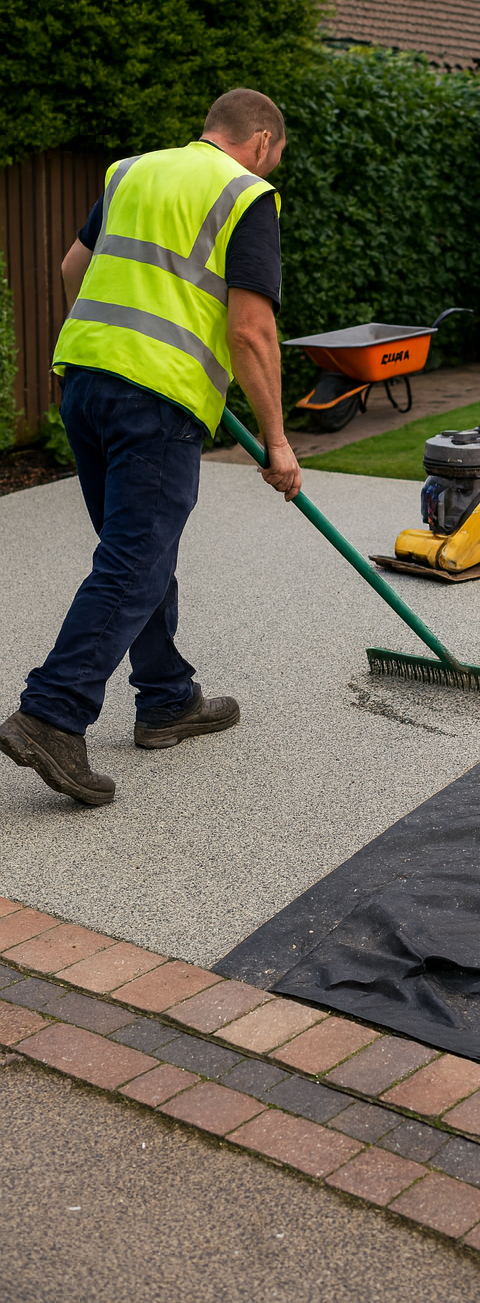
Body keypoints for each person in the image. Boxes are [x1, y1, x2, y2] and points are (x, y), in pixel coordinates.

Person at [0, 88, 301, 807]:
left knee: (136, 550)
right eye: (276, 155)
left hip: (85, 381)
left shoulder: (130, 171)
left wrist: (113, 350)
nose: (271, 166)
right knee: (135, 560)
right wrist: (278, 442)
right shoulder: (247, 195)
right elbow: (251, 330)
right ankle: (52, 714)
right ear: (262, 141)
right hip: (156, 400)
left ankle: (167, 697)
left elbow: (73, 269)